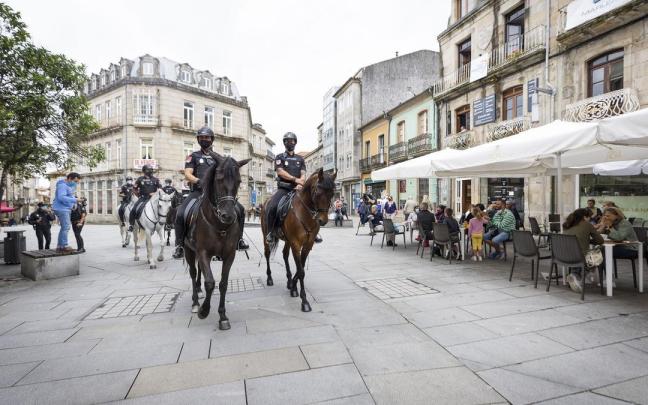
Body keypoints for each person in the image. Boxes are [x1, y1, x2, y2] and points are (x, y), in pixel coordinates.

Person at [173, 126, 249, 258]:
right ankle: (179, 245)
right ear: (198, 139)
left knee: (240, 210)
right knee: (181, 213)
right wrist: (198, 181)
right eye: (202, 137)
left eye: (207, 137)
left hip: (215, 194)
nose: (204, 140)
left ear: (212, 139)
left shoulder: (219, 158)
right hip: (197, 191)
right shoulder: (193, 156)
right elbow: (187, 174)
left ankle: (239, 240)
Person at [264, 132, 322, 245]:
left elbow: (303, 173)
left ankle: (315, 231)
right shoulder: (279, 157)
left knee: (313, 206)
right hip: (284, 189)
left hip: (298, 189)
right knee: (272, 206)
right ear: (284, 143)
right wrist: (296, 180)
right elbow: (280, 172)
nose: (290, 143)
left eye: (292, 141)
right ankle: (270, 232)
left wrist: (301, 183)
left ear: (295, 142)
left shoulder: (300, 159)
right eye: (287, 141)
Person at [563, 208, 605, 293]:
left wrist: (586, 239)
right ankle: (576, 275)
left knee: (582, 253)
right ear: (584, 217)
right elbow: (600, 241)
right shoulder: (587, 224)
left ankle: (575, 276)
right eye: (589, 217)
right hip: (579, 256)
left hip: (563, 255)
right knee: (598, 255)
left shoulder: (567, 224)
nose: (590, 219)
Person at [52, 172, 82, 253]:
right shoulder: (62, 185)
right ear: (69, 178)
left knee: (64, 227)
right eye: (75, 181)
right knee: (66, 227)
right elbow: (61, 197)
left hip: (64, 208)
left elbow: (69, 196)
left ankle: (60, 246)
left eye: (77, 182)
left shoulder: (67, 186)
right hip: (62, 209)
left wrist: (74, 204)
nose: (76, 184)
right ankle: (64, 245)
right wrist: (75, 200)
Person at [127, 165, 161, 232]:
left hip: (153, 199)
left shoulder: (156, 179)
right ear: (144, 171)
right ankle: (131, 225)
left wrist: (155, 194)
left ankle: (166, 224)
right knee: (133, 210)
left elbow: (160, 189)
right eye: (148, 170)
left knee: (163, 208)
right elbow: (134, 188)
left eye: (151, 169)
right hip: (143, 198)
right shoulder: (140, 179)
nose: (150, 171)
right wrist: (138, 195)